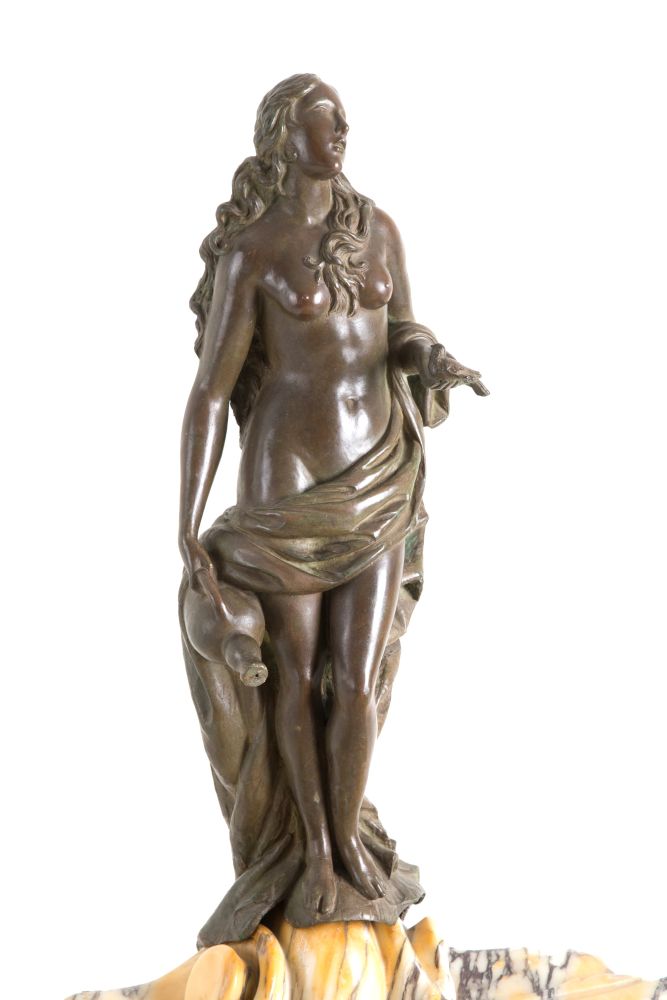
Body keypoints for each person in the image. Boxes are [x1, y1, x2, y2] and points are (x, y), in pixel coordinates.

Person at [178, 73, 487, 946]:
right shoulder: (252, 251)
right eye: (324, 122)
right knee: (295, 674)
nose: (341, 133)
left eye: (344, 120)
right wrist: (185, 517)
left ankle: (348, 839)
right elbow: (210, 393)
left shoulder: (377, 228)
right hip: (287, 479)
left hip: (379, 471)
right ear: (284, 136)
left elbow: (401, 330)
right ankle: (313, 853)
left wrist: (430, 358)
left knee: (355, 678)